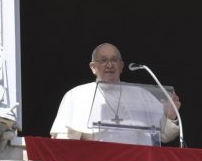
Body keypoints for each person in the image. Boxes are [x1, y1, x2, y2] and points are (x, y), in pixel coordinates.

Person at [50, 43, 181, 146]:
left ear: (121, 66)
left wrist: (170, 116)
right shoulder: (76, 95)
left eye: (114, 60)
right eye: (103, 60)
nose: (109, 65)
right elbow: (64, 144)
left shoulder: (141, 94)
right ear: (93, 67)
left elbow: (165, 136)